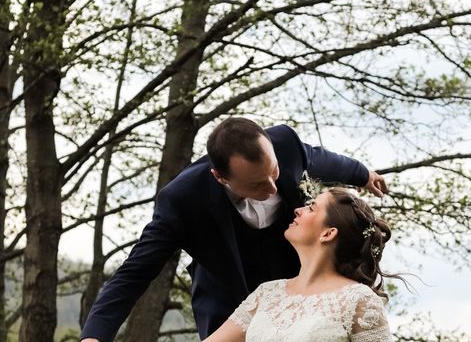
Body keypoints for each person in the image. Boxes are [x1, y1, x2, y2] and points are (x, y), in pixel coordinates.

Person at [80, 117, 387, 341]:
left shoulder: (285, 144)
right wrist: (94, 336)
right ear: (220, 177)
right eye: (256, 183)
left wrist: (362, 174)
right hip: (228, 300)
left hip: (301, 286)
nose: (272, 187)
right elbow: (133, 274)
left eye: (274, 173)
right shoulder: (183, 200)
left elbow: (319, 158)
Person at [204, 187, 394, 342]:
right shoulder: (267, 293)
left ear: (328, 233)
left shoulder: (359, 299)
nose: (298, 210)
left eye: (311, 208)